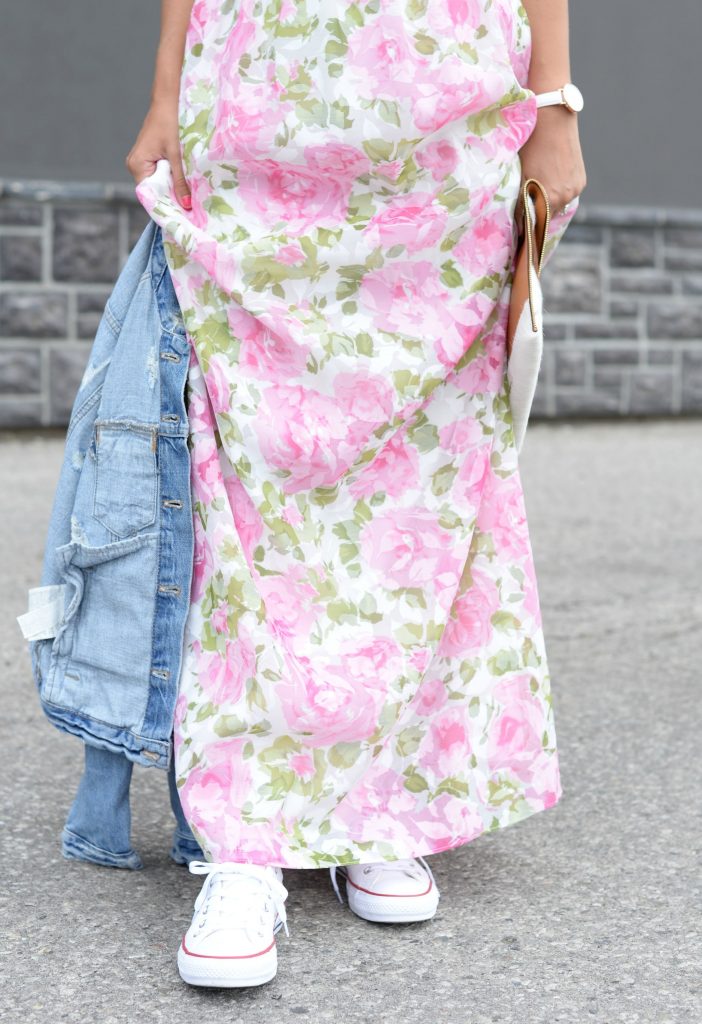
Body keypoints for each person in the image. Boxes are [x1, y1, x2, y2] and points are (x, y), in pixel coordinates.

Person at [126, 0, 586, 989]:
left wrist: (555, 105)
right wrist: (166, 94)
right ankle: (245, 832)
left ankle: (377, 797)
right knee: (247, 452)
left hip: (446, 103)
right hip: (259, 84)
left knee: (421, 468)